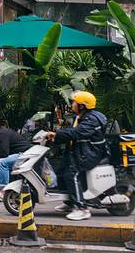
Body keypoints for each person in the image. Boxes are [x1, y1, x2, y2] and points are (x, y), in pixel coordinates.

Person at [45, 91, 108, 221]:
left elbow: (76, 133)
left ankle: (82, 208)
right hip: (80, 150)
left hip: (90, 153)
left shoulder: (91, 120)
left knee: (71, 173)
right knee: (61, 171)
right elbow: (72, 134)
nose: (72, 104)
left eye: (75, 102)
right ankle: (70, 202)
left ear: (82, 106)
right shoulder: (80, 116)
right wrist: (55, 137)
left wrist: (57, 134)